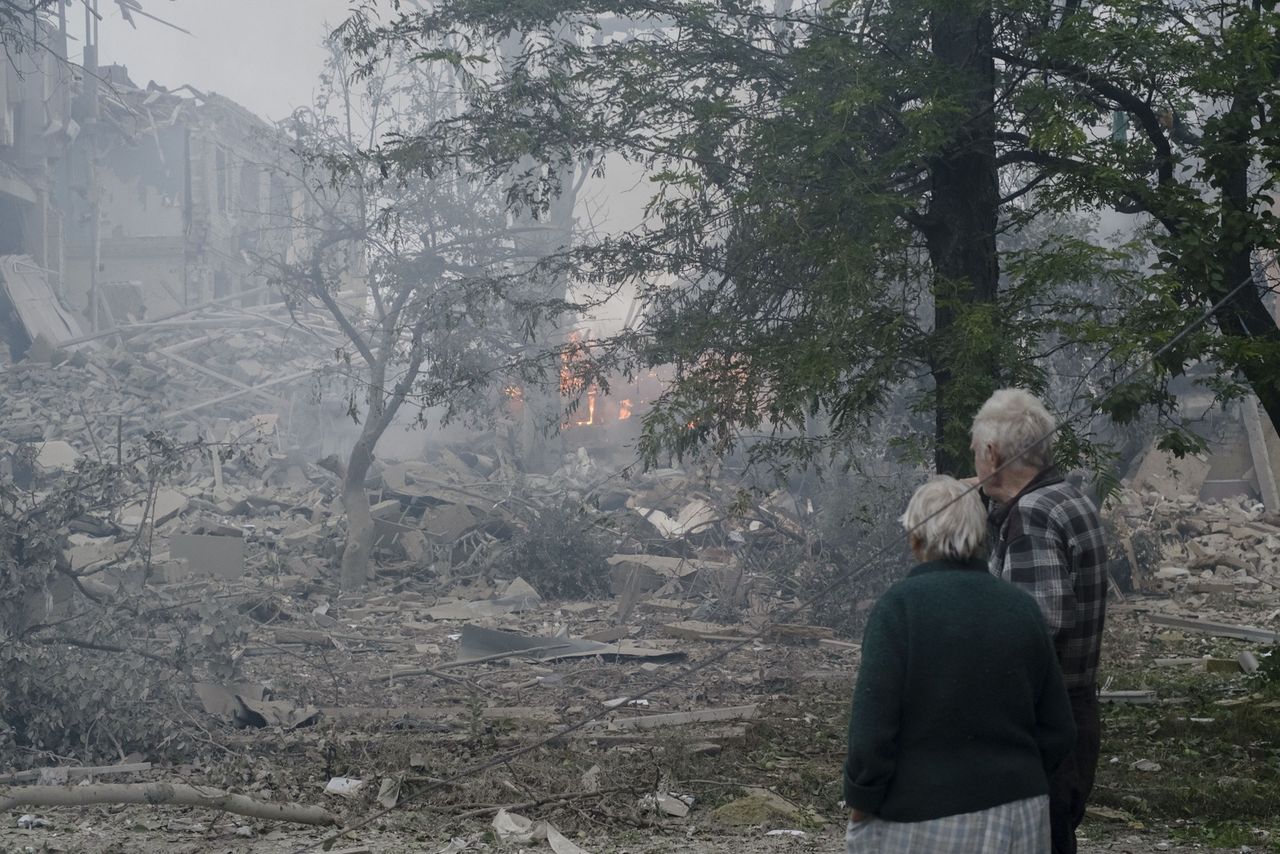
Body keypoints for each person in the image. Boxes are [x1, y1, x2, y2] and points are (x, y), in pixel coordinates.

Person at [843, 476, 1075, 854]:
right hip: (1020, 818)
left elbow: (871, 733)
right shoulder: (1022, 608)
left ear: (915, 539)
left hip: (920, 818)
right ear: (980, 537)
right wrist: (1016, 780)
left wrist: (861, 801)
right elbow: (1060, 729)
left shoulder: (898, 609)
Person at [971, 388, 1108, 854]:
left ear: (992, 454)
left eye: (975, 451)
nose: (975, 461)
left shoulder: (1032, 516)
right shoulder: (1069, 499)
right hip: (1073, 711)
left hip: (1040, 726)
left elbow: (1037, 631)